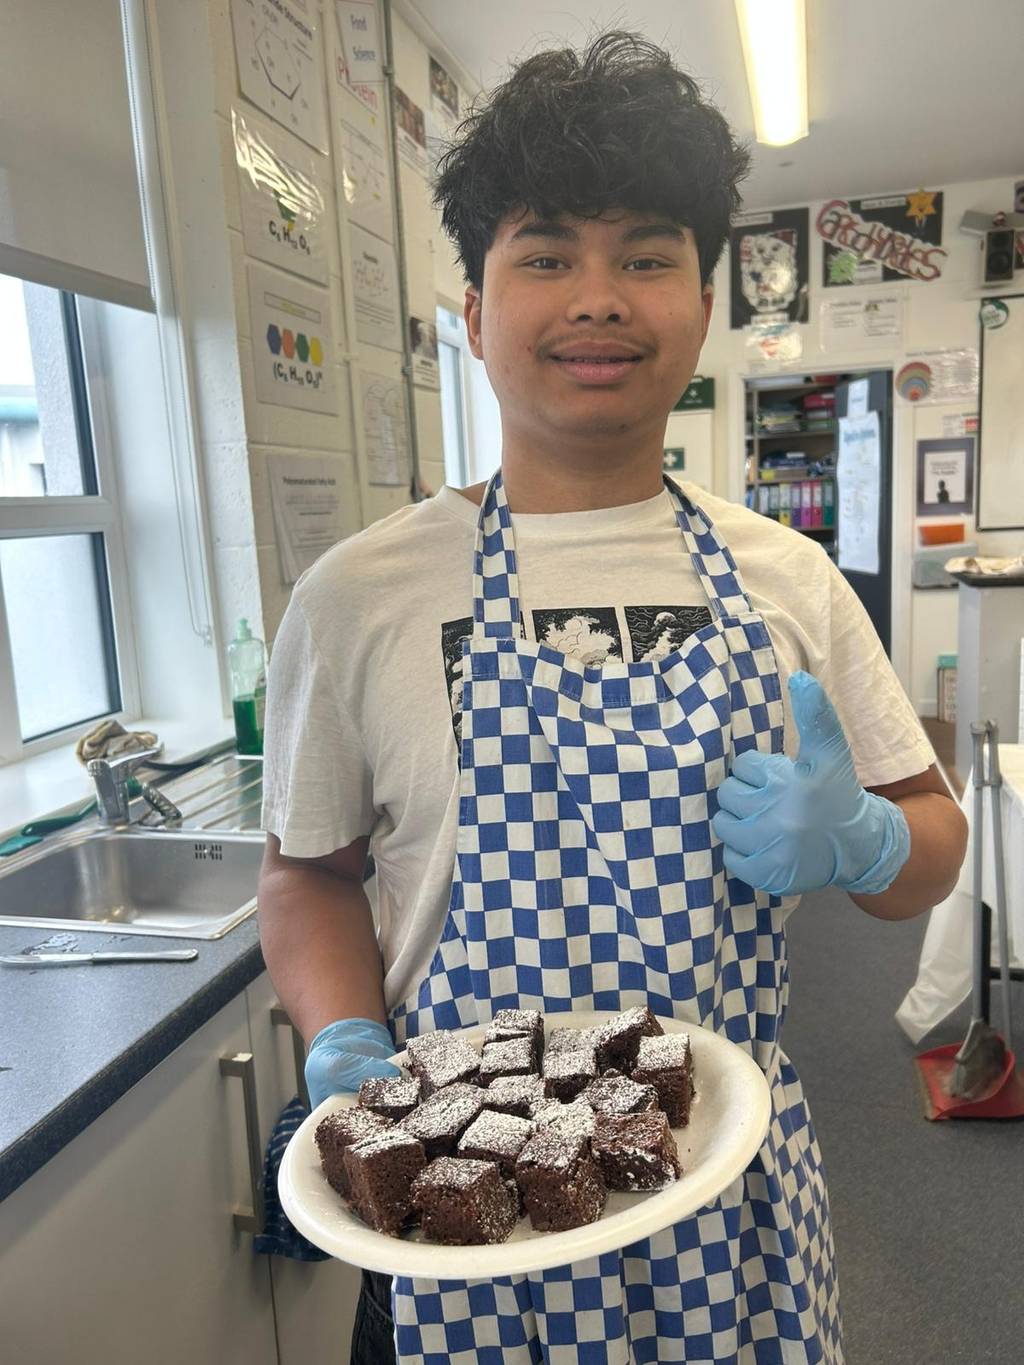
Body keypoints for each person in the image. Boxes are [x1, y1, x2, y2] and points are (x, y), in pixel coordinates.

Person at [258, 30, 967, 1365]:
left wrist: (867, 842)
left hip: (724, 1177)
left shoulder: (790, 579)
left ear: (702, 304)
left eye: (645, 256)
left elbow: (933, 844)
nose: (598, 299)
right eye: (544, 256)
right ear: (476, 314)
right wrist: (345, 1036)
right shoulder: (359, 598)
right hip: (466, 1213)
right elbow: (307, 873)